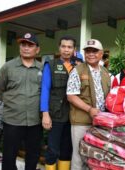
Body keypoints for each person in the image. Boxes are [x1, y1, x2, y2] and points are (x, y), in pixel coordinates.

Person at [0, 33, 43, 170]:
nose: (26, 48)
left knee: (33, 155)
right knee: (9, 156)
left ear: (37, 49)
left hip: (35, 121)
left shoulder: (42, 68)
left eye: (30, 45)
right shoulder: (8, 67)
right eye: (23, 44)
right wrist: (13, 103)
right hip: (12, 120)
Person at [66, 39, 110, 170]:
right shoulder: (77, 71)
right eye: (88, 51)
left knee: (96, 156)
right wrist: (89, 109)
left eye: (94, 51)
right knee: (80, 155)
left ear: (101, 54)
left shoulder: (105, 72)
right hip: (81, 121)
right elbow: (71, 96)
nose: (91, 54)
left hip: (100, 123)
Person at [40, 36, 76, 170]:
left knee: (67, 150)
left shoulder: (78, 66)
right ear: (59, 48)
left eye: (69, 47)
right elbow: (45, 89)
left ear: (74, 49)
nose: (66, 50)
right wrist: (45, 113)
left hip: (73, 114)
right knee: (53, 149)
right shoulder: (51, 64)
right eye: (63, 46)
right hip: (55, 113)